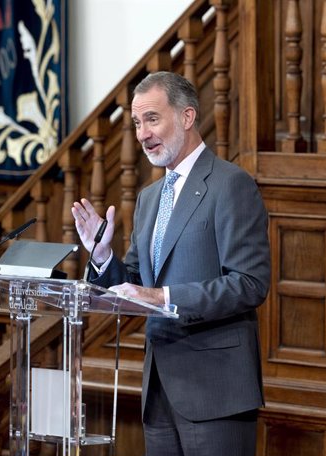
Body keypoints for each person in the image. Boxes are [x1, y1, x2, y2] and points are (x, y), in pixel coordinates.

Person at [71, 71, 270, 456]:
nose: (142, 133)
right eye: (136, 123)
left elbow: (249, 283)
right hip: (158, 391)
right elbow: (131, 283)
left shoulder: (231, 185)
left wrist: (163, 298)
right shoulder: (149, 197)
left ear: (187, 117)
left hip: (216, 393)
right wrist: (101, 255)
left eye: (152, 119)